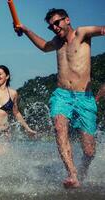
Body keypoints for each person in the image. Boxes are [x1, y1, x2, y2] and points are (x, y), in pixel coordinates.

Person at [14, 8, 105, 188]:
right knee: (59, 127)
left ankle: (83, 170)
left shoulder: (82, 33)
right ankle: (72, 175)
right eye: (51, 26)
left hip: (84, 97)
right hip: (62, 95)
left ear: (67, 20)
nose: (54, 28)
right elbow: (43, 47)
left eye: (57, 23)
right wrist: (25, 31)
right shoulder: (57, 42)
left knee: (89, 151)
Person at [0, 65, 36, 169]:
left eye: (0, 74)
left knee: (1, 163)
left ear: (7, 76)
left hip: (4, 133)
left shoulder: (13, 93)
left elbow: (16, 113)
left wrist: (27, 128)